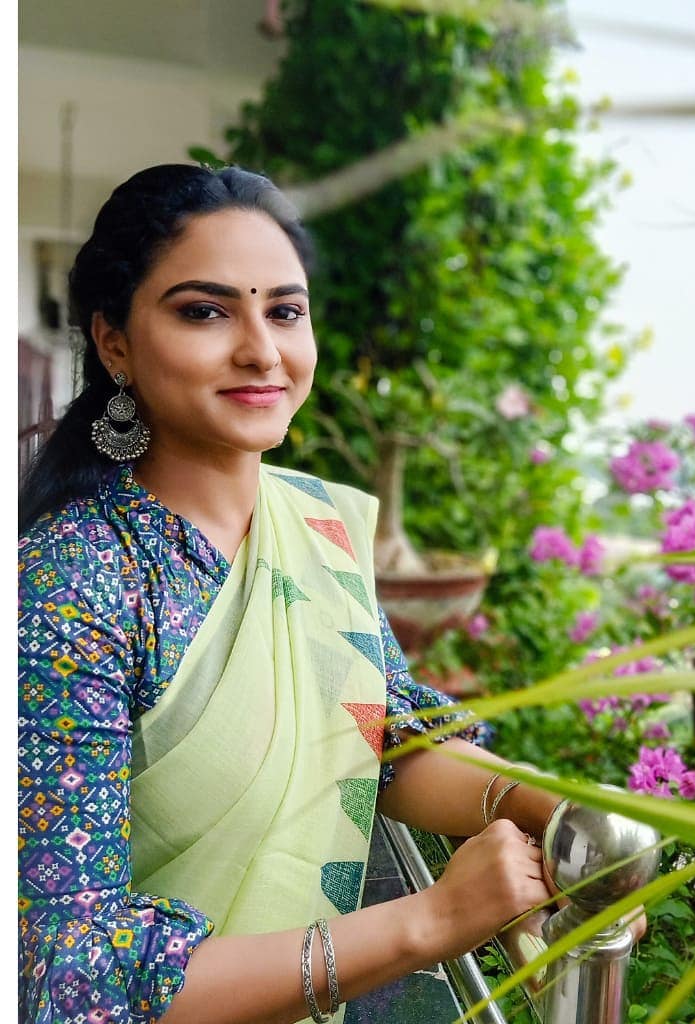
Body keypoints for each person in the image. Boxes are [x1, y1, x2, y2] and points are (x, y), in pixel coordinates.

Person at [18, 163, 565, 1024]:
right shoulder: (73, 582)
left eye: (284, 310)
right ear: (114, 342)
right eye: (205, 310)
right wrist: (431, 920)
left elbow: (388, 736)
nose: (262, 350)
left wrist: (546, 805)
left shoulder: (314, 526)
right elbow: (67, 979)